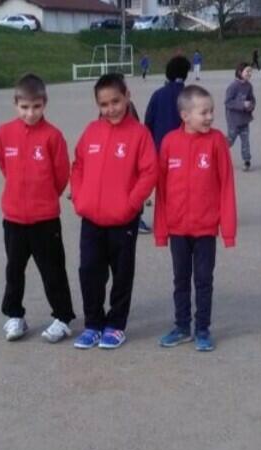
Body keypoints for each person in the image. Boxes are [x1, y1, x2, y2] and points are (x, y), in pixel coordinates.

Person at [71, 73, 158, 349]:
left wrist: (131, 204)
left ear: (127, 96)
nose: (111, 109)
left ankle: (116, 324)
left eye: (116, 101)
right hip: (91, 218)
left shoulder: (140, 134)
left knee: (121, 273)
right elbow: (78, 165)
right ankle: (93, 323)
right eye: (104, 104)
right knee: (89, 272)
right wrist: (80, 198)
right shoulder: (91, 131)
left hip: (123, 220)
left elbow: (149, 172)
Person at [0, 73, 76, 343]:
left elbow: (61, 174)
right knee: (14, 270)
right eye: (25, 107)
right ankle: (14, 315)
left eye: (36, 106)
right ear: (15, 104)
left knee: (53, 270)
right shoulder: (4, 133)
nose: (31, 113)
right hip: (14, 218)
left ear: (45, 103)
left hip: (45, 219)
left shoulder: (53, 136)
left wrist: (45, 197)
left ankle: (62, 317)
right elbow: (3, 163)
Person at [154, 85, 237, 352]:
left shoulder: (217, 141)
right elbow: (161, 189)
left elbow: (226, 185)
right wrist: (161, 230)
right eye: (204, 112)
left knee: (203, 280)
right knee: (180, 279)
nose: (210, 117)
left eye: (211, 111)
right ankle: (182, 327)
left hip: (205, 228)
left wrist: (228, 230)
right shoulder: (169, 142)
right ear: (185, 115)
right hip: (178, 228)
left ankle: (202, 328)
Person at [142, 55, 191, 229]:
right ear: (185, 74)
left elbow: (148, 121)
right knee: (183, 184)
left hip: (160, 147)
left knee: (161, 184)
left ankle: (162, 217)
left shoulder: (158, 94)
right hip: (185, 148)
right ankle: (182, 215)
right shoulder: (189, 96)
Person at [225, 62, 256, 172]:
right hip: (234, 121)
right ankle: (216, 154)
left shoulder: (249, 86)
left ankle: (247, 161)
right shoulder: (233, 86)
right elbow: (228, 102)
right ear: (239, 72)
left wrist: (251, 106)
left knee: (245, 141)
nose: (249, 73)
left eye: (250, 71)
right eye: (247, 71)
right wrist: (242, 104)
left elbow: (252, 99)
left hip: (244, 120)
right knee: (229, 141)